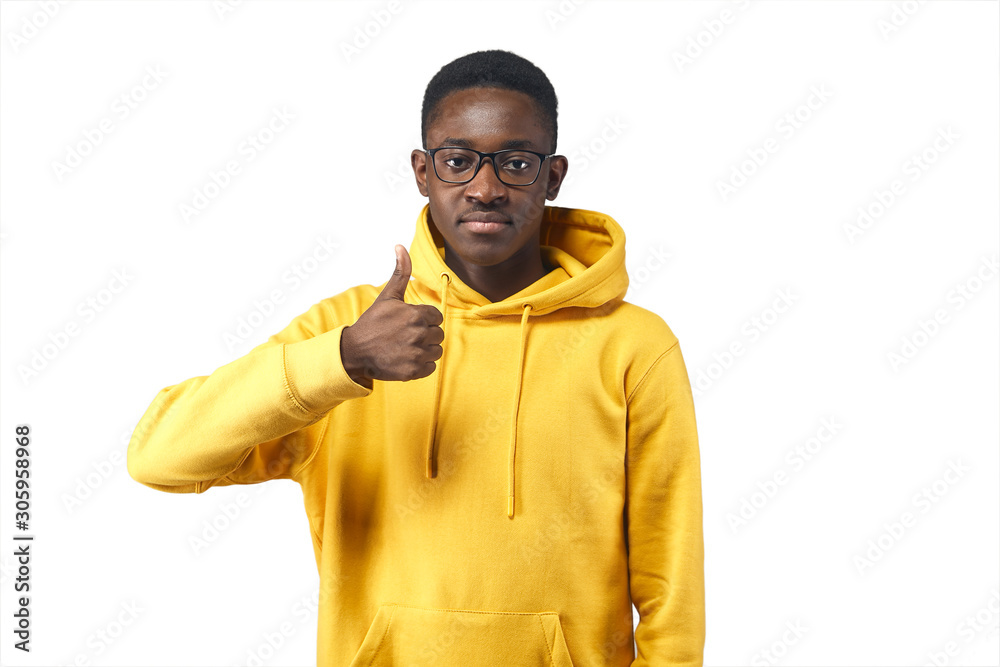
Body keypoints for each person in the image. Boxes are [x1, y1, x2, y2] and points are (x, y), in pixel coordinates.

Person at [127, 48, 705, 666]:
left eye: (516, 164)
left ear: (553, 177)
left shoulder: (632, 345)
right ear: (423, 172)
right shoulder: (349, 331)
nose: (485, 188)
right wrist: (344, 360)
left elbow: (671, 580)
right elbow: (158, 457)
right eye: (458, 161)